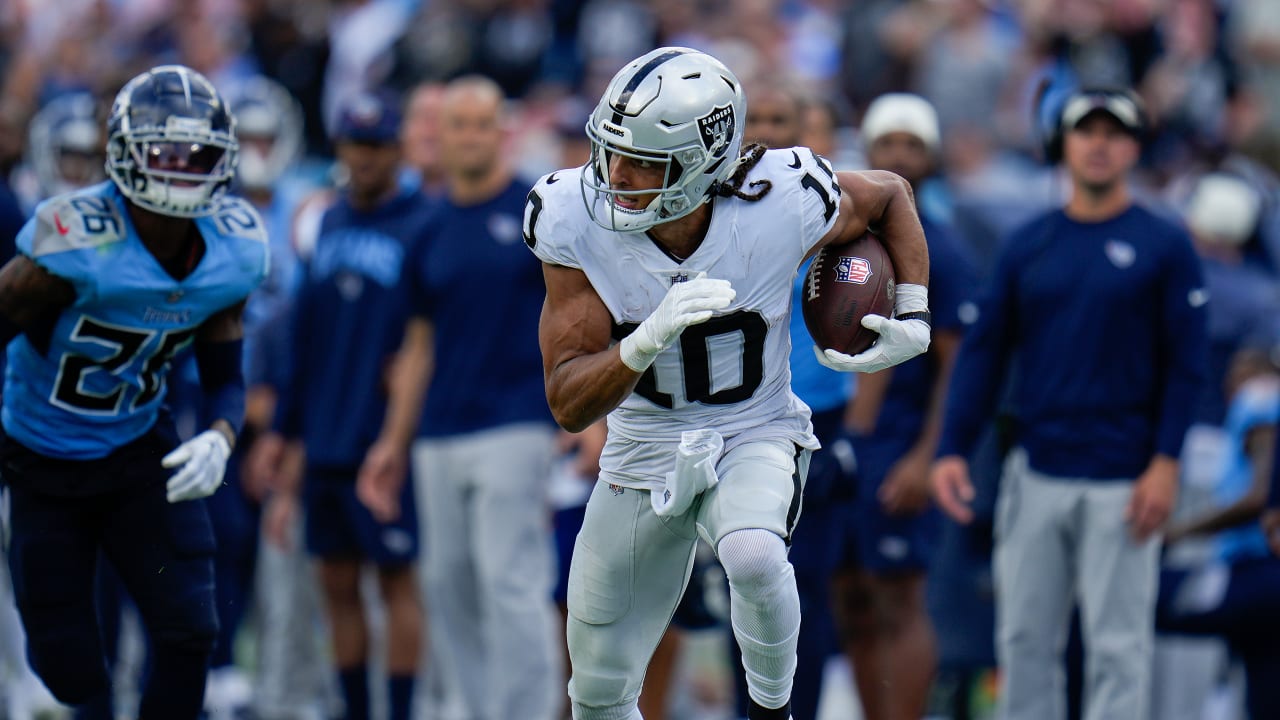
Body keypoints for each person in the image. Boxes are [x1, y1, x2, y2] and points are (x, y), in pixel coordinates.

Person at [523, 47, 931, 720]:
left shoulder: (781, 197)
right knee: (594, 689)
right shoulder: (571, 215)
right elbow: (568, 402)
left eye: (641, 161)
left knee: (752, 553)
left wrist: (912, 312)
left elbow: (890, 193)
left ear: (702, 160)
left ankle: (773, 712)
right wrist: (645, 339)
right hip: (640, 445)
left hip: (753, 428)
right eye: (609, 151)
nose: (613, 175)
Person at [931, 87, 1209, 720]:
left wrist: (1166, 462)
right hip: (1037, 470)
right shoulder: (1029, 244)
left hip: (1124, 477)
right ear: (1065, 144)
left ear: (1135, 147)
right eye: (1088, 131)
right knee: (1024, 640)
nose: (1101, 144)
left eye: (1115, 133)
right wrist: (952, 448)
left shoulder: (1165, 246)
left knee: (1118, 646)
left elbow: (1186, 368)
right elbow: (983, 353)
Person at [0, 64, 267, 718]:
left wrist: (220, 435)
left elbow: (227, 375)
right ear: (124, 152)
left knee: (191, 627)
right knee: (68, 667)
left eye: (195, 154)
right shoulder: (74, 242)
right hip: (41, 455)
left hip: (137, 448)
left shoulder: (235, 247)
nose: (179, 168)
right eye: (163, 152)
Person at [357, 75, 562, 720]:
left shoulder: (535, 211)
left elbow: (577, 316)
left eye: (481, 124)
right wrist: (392, 442)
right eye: (457, 124)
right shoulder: (427, 229)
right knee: (445, 584)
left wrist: (589, 417)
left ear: (501, 131)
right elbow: (418, 346)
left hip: (517, 420)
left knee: (509, 580)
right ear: (438, 136)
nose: (470, 136)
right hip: (438, 430)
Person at [253, 90, 428, 720]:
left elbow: (428, 335)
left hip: (383, 436)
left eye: (378, 145)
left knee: (394, 579)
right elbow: (305, 331)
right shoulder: (327, 221)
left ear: (398, 149)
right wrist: (284, 429)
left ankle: (402, 709)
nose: (366, 157)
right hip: (325, 430)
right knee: (336, 581)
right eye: (356, 145)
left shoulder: (421, 219)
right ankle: (357, 710)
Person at [835, 92, 977, 720]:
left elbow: (959, 363)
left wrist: (929, 453)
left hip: (900, 441)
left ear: (933, 156)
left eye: (912, 144)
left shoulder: (941, 246)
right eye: (887, 142)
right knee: (851, 602)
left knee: (899, 600)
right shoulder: (841, 236)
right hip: (845, 443)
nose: (898, 155)